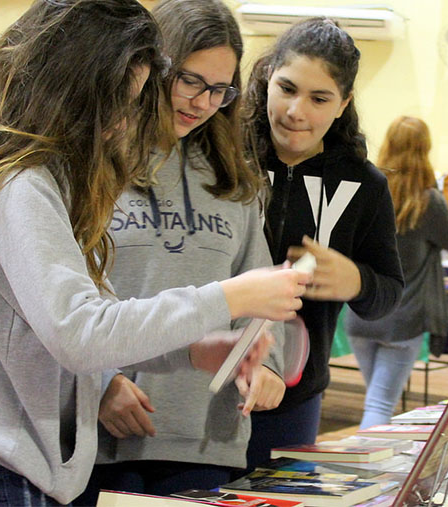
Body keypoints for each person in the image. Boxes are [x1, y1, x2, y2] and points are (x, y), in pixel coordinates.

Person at [0, 1, 308, 504]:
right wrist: (227, 298)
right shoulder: (19, 182)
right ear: (79, 88)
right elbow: (80, 333)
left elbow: (78, 321)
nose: (127, 120)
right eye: (125, 100)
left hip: (3, 455)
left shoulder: (38, 172)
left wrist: (194, 349)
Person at [76, 0, 288, 502]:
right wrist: (101, 382)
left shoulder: (232, 178)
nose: (201, 102)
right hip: (104, 430)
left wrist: (267, 365)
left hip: (207, 437)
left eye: (219, 89)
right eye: (190, 80)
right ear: (151, 66)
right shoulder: (88, 163)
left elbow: (257, 296)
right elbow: (56, 304)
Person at [241, 17, 405, 468]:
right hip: (202, 387)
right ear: (267, 77)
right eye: (287, 88)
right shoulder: (222, 159)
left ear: (343, 103)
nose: (297, 111)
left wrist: (356, 282)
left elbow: (388, 292)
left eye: (319, 99)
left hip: (292, 400)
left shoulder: (364, 184)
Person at [343, 116, 448, 429]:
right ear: (425, 150)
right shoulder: (428, 201)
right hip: (403, 317)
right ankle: (364, 473)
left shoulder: (365, 190)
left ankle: (367, 467)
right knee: (380, 404)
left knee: (377, 398)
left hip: (360, 312)